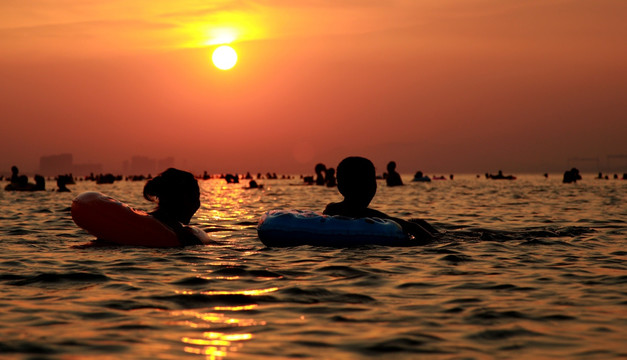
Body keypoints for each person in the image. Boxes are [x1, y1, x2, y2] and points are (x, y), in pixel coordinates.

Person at [323, 156, 437, 242]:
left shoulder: (330, 210)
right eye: (364, 183)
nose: (367, 188)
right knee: (416, 223)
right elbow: (413, 228)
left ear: (340, 187)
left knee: (417, 222)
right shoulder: (374, 216)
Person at [143, 168, 206, 246]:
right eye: (194, 198)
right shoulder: (185, 238)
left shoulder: (145, 220)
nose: (197, 204)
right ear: (177, 199)